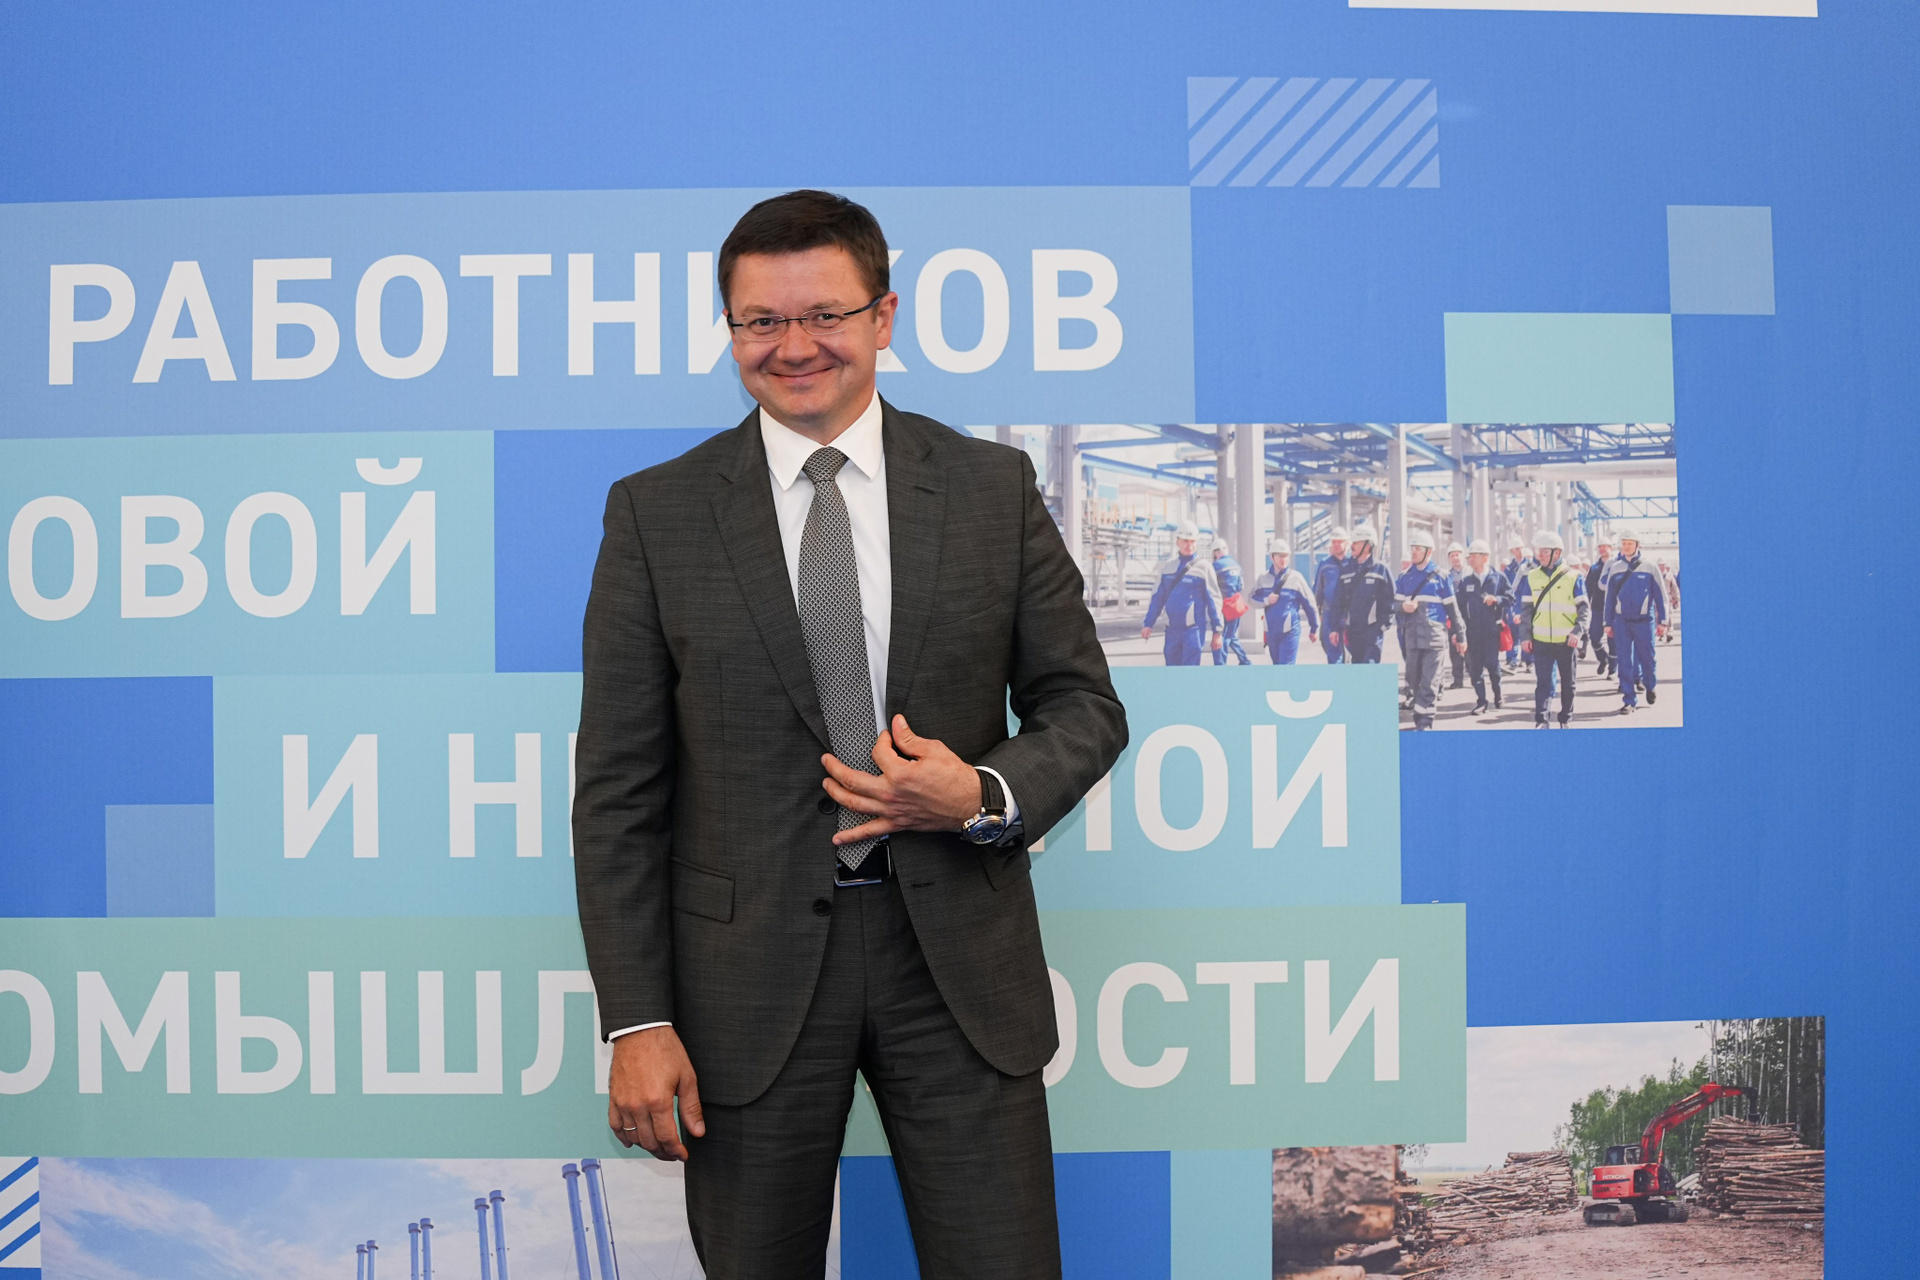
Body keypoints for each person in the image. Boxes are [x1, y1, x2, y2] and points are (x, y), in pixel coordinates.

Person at [572, 190, 1128, 1280]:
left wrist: (979, 793)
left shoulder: (990, 488)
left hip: (958, 969)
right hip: (745, 987)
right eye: (761, 321)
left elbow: (1084, 706)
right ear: (731, 329)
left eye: (825, 314)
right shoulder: (655, 514)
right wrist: (636, 1022)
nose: (794, 346)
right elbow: (619, 794)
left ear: (883, 316)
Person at [1513, 530, 1589, 727]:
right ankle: (1542, 721)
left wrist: (1577, 632)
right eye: (1539, 551)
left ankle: (1565, 719)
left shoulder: (1574, 576)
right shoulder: (1532, 577)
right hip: (1541, 641)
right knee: (1543, 684)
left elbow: (1584, 609)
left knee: (1568, 683)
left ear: (1557, 553)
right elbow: (1526, 610)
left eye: (1545, 551)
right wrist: (1525, 637)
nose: (1540, 555)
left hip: (1567, 641)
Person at [1394, 528, 1467, 730]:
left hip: (1435, 639)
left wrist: (1461, 636)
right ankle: (1421, 717)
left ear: (1429, 551)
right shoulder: (1404, 577)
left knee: (1429, 682)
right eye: (1412, 548)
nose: (1413, 552)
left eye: (1418, 548)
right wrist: (1403, 606)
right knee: (1413, 680)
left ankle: (1425, 722)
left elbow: (1453, 610)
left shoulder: (1442, 577)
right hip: (1412, 639)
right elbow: (1393, 605)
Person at [1141, 521, 1224, 665]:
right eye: (1185, 541)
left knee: (1189, 673)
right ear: (1177, 541)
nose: (1189, 545)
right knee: (1172, 671)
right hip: (1171, 631)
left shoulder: (1204, 567)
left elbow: (1214, 600)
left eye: (1193, 541)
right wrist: (1148, 623)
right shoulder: (1168, 567)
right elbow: (1158, 598)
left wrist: (1218, 631)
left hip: (1193, 631)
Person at [1606, 528, 1669, 714]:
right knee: (1624, 661)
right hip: (1622, 622)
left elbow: (1661, 596)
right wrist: (1607, 623)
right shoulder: (1615, 568)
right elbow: (1609, 598)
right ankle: (1629, 700)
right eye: (1624, 544)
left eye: (1630, 544)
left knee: (1648, 658)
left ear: (1637, 545)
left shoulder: (1650, 567)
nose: (1626, 547)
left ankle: (1650, 685)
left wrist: (1663, 621)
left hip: (1644, 621)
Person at [1329, 522, 1395, 665]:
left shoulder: (1381, 570)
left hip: (1373, 634)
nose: (1352, 546)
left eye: (1356, 543)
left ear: (1367, 545)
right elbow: (1337, 602)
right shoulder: (1346, 571)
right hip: (1352, 633)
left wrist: (1381, 627)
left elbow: (1391, 601)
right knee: (1357, 668)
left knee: (1369, 667)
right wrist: (1334, 628)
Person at [1457, 539, 1511, 713]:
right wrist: (1458, 631)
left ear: (1485, 557)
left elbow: (1511, 599)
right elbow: (1458, 607)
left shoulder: (1498, 577)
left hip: (1491, 630)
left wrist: (1497, 599)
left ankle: (1498, 694)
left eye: (1473, 556)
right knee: (1475, 669)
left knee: (1493, 665)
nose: (1470, 559)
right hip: (1472, 631)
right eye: (1469, 556)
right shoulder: (1465, 581)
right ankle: (1481, 701)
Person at [1248, 538, 1318, 664]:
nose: (1284, 559)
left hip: (1290, 632)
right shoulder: (1263, 579)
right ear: (1272, 557)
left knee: (1285, 668)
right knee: (1277, 667)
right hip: (1271, 633)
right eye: (1280, 556)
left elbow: (1310, 603)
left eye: (1286, 556)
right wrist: (1266, 600)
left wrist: (1314, 627)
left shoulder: (1296, 578)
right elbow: (1251, 599)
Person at [1210, 536, 1252, 665]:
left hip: (1223, 607)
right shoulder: (1236, 565)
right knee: (1232, 635)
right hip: (1236, 605)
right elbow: (1240, 586)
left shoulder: (1215, 566)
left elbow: (1210, 587)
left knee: (1222, 637)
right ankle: (1245, 661)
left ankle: (1221, 666)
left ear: (1216, 552)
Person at [1313, 527, 1350, 664]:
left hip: (1348, 613)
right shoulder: (1325, 564)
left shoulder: (1353, 563)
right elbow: (1317, 590)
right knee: (1332, 652)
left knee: (1350, 651)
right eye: (1334, 542)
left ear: (1346, 543)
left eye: (1339, 542)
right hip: (1329, 613)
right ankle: (1337, 674)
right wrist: (1316, 613)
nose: (1336, 545)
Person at [1584, 535, 1615, 676]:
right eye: (1600, 547)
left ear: (1611, 548)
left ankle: (1613, 668)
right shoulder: (1594, 569)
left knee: (1613, 639)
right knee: (1594, 637)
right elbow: (1588, 589)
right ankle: (1603, 659)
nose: (1602, 549)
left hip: (1614, 609)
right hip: (1598, 608)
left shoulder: (1617, 566)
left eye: (1605, 546)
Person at [1501, 537, 1532, 673]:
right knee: (1512, 631)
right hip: (1513, 602)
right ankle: (1512, 660)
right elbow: (1505, 587)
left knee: (1527, 631)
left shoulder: (1531, 566)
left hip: (1528, 602)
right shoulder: (1509, 569)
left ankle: (1529, 661)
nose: (1520, 550)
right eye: (1517, 548)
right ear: (1512, 551)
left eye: (1521, 547)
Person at [1445, 541, 1468, 689]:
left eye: (1457, 555)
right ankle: (1458, 678)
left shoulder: (1470, 573)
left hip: (1469, 615)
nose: (1455, 558)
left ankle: (1474, 675)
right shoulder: (1446, 576)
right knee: (1454, 649)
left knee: (1470, 647)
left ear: (1462, 556)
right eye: (1452, 555)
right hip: (1453, 616)